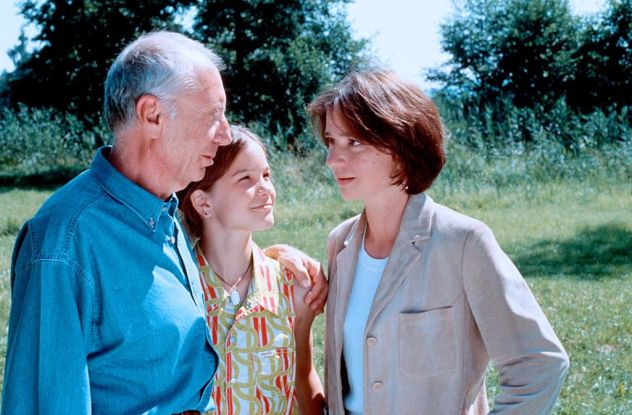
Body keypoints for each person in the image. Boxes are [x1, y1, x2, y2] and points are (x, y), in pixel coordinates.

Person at [2, 31, 326, 414]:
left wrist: (276, 259)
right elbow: (42, 404)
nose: (224, 136)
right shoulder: (64, 242)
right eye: (212, 117)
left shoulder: (165, 215)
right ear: (152, 115)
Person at [307, 69, 570, 414]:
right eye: (331, 141)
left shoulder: (463, 242)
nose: (333, 159)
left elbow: (541, 364)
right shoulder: (340, 243)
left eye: (354, 142)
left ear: (402, 145)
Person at [177, 125, 326, 415]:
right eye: (246, 178)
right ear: (203, 202)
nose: (266, 189)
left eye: (266, 176)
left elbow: (303, 376)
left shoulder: (293, 286)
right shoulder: (179, 289)